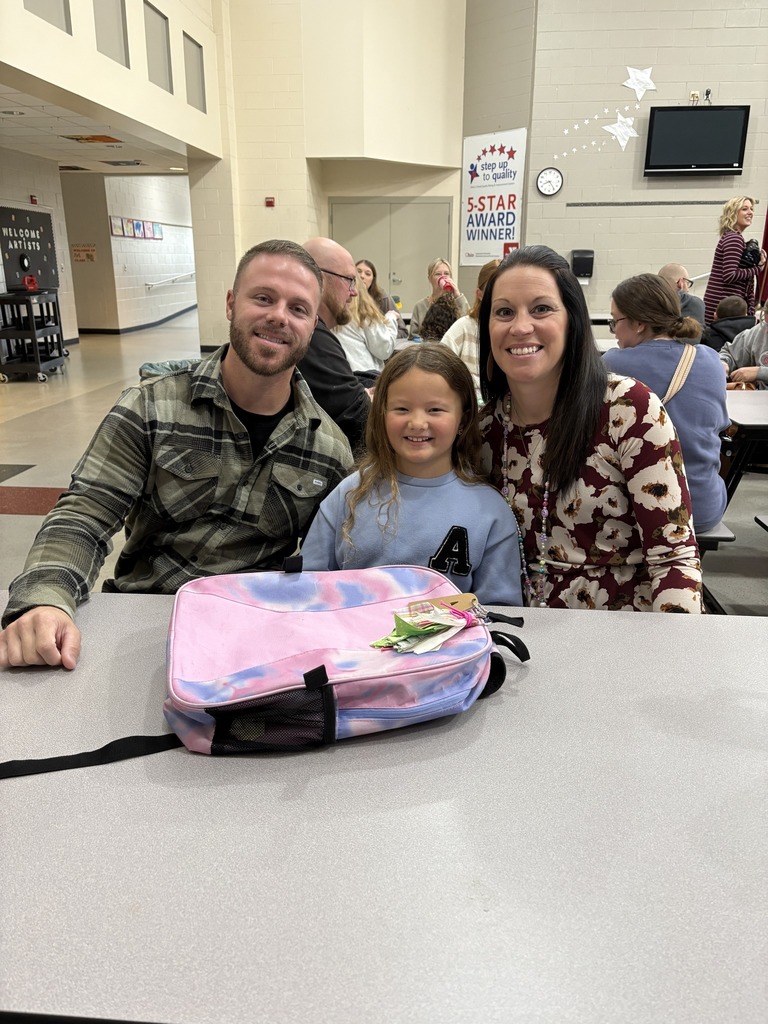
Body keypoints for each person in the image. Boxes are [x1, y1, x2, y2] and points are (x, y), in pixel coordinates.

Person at [0, 239, 354, 670]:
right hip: (144, 621)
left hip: (254, 640)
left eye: (298, 309)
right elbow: (84, 515)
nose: (279, 316)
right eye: (263, 298)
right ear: (230, 304)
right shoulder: (150, 409)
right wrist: (46, 599)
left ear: (315, 324)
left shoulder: (329, 449)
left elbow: (331, 567)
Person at [478, 245, 702, 612]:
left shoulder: (629, 409)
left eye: (541, 308)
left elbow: (674, 561)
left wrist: (671, 664)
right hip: (517, 636)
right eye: (504, 312)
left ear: (573, 321)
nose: (520, 327)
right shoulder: (484, 429)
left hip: (623, 640)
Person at [301, 344, 523, 607]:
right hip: (351, 644)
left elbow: (499, 612)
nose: (417, 423)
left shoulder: (491, 513)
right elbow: (307, 588)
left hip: (451, 647)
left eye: (435, 410)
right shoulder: (347, 495)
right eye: (402, 409)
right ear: (381, 414)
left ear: (462, 420)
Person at [602, 273, 728, 534]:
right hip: (703, 506)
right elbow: (720, 425)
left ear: (638, 324)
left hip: (638, 508)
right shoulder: (711, 360)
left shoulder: (612, 365)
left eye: (615, 322)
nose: (614, 331)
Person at [299, 237, 372, 450]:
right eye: (349, 280)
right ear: (318, 278)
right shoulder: (312, 337)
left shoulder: (319, 333)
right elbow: (357, 417)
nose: (354, 291)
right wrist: (364, 396)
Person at [703, 197, 767, 325]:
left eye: (751, 209)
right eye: (744, 209)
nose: (750, 212)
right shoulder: (734, 239)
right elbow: (729, 275)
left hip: (724, 304)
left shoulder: (732, 237)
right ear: (733, 213)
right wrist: (758, 268)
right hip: (725, 306)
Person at [440, 259, 501, 394]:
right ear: (480, 294)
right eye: (493, 292)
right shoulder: (464, 327)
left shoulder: (512, 331)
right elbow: (438, 365)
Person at [333, 271, 398, 382]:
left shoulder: (332, 317)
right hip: (366, 378)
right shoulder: (364, 316)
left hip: (343, 377)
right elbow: (384, 349)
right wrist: (391, 319)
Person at [408, 257, 469, 339]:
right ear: (430, 279)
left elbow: (468, 324)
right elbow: (413, 336)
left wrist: (458, 296)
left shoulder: (457, 303)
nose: (443, 277)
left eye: (446, 274)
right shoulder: (420, 306)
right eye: (438, 274)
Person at [355, 258, 407, 339]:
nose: (362, 276)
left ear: (373, 280)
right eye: (358, 272)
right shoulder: (344, 297)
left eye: (367, 274)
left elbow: (403, 331)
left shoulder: (382, 298)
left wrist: (382, 337)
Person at [719, 310, 768, 390]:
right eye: (767, 324)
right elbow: (730, 352)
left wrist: (759, 372)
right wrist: (724, 363)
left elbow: (758, 373)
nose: (766, 331)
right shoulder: (758, 331)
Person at [657, 262, 705, 328]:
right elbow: (695, 335)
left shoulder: (645, 300)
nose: (688, 289)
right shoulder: (693, 303)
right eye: (687, 283)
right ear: (681, 282)